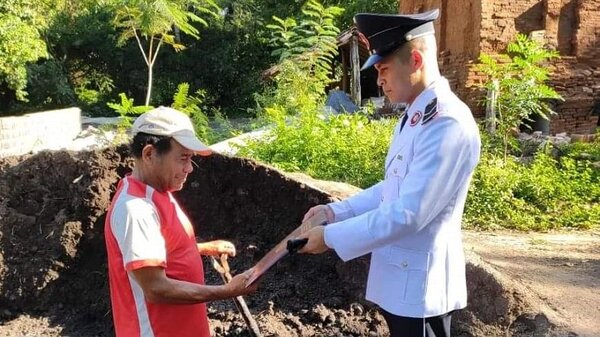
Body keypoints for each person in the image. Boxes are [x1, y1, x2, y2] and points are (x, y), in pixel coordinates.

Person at [298, 9, 481, 337]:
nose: (378, 80)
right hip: (404, 283)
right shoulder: (415, 116)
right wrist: (334, 211)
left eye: (383, 69)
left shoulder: (446, 123)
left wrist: (330, 237)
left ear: (414, 60)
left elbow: (409, 213)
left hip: (423, 289)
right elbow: (393, 188)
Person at [104, 107, 257, 337]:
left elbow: (161, 247)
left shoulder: (158, 192)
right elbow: (156, 289)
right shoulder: (136, 210)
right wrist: (226, 291)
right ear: (149, 154)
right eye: (183, 158)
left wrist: (203, 248)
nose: (189, 168)